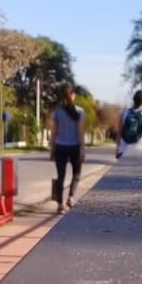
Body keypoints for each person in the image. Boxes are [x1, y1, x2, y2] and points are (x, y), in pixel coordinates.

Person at [50, 83, 85, 215]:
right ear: (73, 95)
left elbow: (54, 132)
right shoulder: (80, 111)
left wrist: (52, 149)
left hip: (60, 147)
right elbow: (80, 132)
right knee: (77, 174)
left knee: (60, 176)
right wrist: (82, 148)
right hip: (75, 146)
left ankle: (60, 205)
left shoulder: (57, 112)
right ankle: (71, 197)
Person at [116, 90, 142, 159]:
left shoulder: (125, 113)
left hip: (124, 149)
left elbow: (119, 132)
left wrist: (118, 148)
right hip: (140, 148)